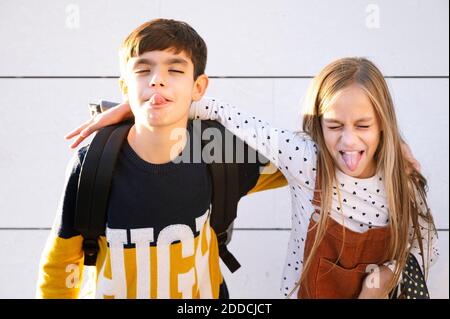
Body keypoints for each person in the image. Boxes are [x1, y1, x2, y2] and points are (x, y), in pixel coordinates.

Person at [79, 57, 438, 299]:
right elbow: (220, 112)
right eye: (334, 126)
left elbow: (427, 249)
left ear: (384, 125)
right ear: (317, 126)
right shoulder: (307, 158)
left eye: (363, 126)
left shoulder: (402, 180)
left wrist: (384, 277)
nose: (348, 140)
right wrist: (140, 109)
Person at [36, 18, 285, 299]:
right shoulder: (93, 164)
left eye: (175, 70)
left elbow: (300, 160)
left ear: (199, 87)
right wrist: (157, 103)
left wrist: (192, 108)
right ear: (125, 87)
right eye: (143, 70)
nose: (157, 79)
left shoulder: (213, 150)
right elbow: (59, 268)